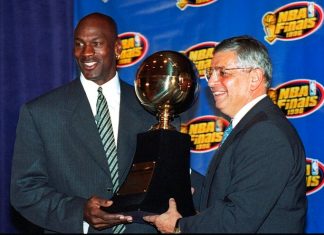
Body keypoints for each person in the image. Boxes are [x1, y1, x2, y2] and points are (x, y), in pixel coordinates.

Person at [10, 12, 158, 233]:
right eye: (79, 44)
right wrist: (80, 212)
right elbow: (24, 190)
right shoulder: (40, 112)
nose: (86, 53)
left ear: (117, 48)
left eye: (96, 43)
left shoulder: (152, 108)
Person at [144, 35, 307, 233]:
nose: (211, 81)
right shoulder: (251, 127)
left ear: (254, 78)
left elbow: (238, 218)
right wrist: (177, 170)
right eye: (211, 72)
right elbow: (225, 194)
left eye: (223, 72)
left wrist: (179, 227)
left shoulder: (266, 133)